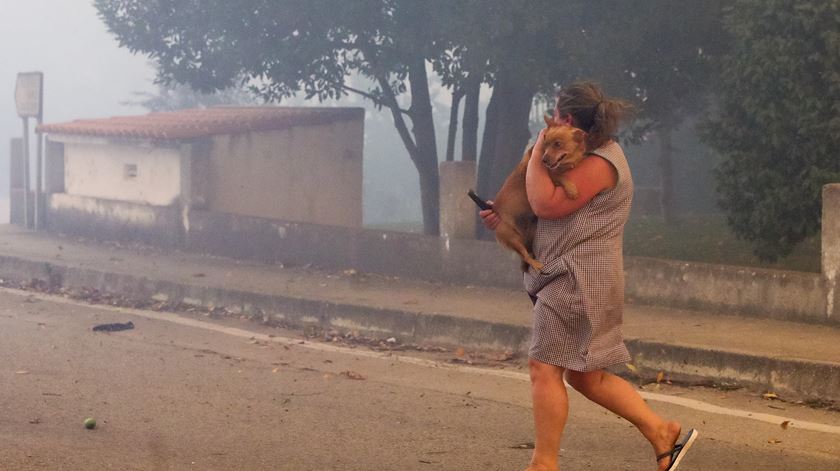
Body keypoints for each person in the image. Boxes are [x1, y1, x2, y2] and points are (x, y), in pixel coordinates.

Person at [480, 81, 697, 471]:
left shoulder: (601, 162)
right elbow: (533, 202)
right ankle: (660, 431)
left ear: (569, 121)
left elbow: (547, 203)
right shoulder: (579, 157)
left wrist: (536, 152)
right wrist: (505, 215)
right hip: (578, 277)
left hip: (578, 279)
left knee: (543, 367)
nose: (551, 137)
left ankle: (542, 464)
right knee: (586, 376)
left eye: (557, 120)